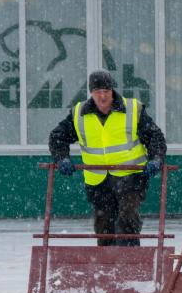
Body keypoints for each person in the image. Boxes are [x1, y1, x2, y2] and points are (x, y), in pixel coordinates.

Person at [49, 69, 166, 247]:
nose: (102, 96)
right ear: (91, 92)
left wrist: (156, 158)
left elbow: (155, 137)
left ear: (112, 90)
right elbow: (57, 137)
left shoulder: (132, 109)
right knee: (103, 225)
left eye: (106, 91)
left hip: (131, 176)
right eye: (97, 92)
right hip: (98, 181)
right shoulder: (79, 114)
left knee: (127, 218)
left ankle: (129, 258)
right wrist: (61, 158)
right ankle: (106, 260)